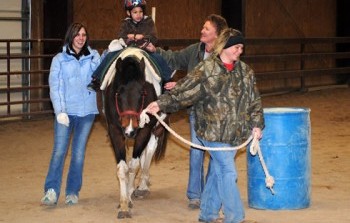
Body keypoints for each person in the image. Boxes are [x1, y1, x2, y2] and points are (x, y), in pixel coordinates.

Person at [145, 28, 264, 223]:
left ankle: (207, 215)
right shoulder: (206, 69)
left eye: (242, 47)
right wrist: (161, 103)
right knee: (228, 171)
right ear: (225, 46)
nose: (239, 51)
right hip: (210, 133)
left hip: (234, 135)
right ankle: (235, 217)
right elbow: (184, 90)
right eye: (236, 46)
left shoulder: (245, 72)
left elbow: (254, 101)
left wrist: (257, 124)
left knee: (218, 171)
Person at [145, 14, 228, 209]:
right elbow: (174, 58)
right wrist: (154, 50)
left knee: (216, 155)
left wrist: (180, 84)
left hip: (217, 115)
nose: (202, 30)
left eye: (206, 29)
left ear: (216, 34)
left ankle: (210, 192)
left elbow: (206, 82)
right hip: (196, 113)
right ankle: (194, 195)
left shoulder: (224, 56)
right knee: (196, 153)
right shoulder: (195, 51)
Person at [41, 22, 101, 206]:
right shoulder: (59, 59)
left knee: (78, 154)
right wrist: (60, 111)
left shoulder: (93, 56)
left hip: (87, 113)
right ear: (71, 36)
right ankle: (51, 190)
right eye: (77, 34)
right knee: (59, 151)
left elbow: (100, 75)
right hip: (65, 113)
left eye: (83, 34)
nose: (81, 38)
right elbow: (56, 86)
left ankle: (72, 191)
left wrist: (109, 54)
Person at [87, 0, 173, 91]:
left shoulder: (148, 21)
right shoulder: (125, 23)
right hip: (127, 48)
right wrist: (134, 36)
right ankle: (97, 78)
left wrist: (143, 37)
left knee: (157, 57)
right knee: (110, 56)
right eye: (135, 12)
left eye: (140, 11)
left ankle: (168, 79)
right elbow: (121, 35)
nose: (138, 14)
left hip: (143, 48)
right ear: (129, 13)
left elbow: (153, 37)